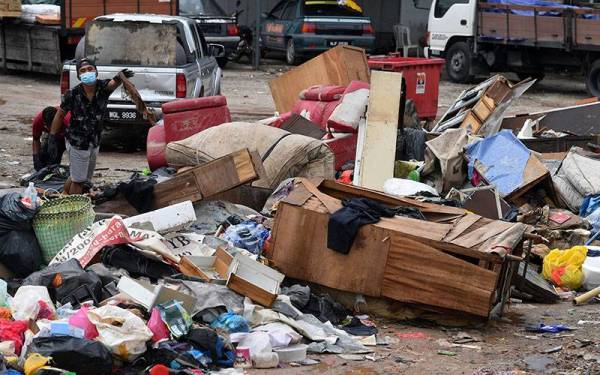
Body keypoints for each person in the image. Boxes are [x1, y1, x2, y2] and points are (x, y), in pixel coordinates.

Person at [48, 58, 133, 195]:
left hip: (94, 141)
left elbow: (113, 83)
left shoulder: (103, 88)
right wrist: (52, 137)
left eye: (90, 69)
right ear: (78, 76)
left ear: (96, 71)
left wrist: (119, 76)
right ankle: (74, 209)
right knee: (79, 180)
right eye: (83, 71)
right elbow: (59, 115)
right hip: (77, 141)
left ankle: (64, 193)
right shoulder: (72, 94)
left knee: (81, 175)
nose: (87, 72)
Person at [32, 106, 71, 171]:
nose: (51, 129)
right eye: (49, 127)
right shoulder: (38, 121)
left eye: (54, 126)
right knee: (46, 158)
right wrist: (36, 157)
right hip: (51, 137)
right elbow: (36, 140)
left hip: (68, 136)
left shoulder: (68, 120)